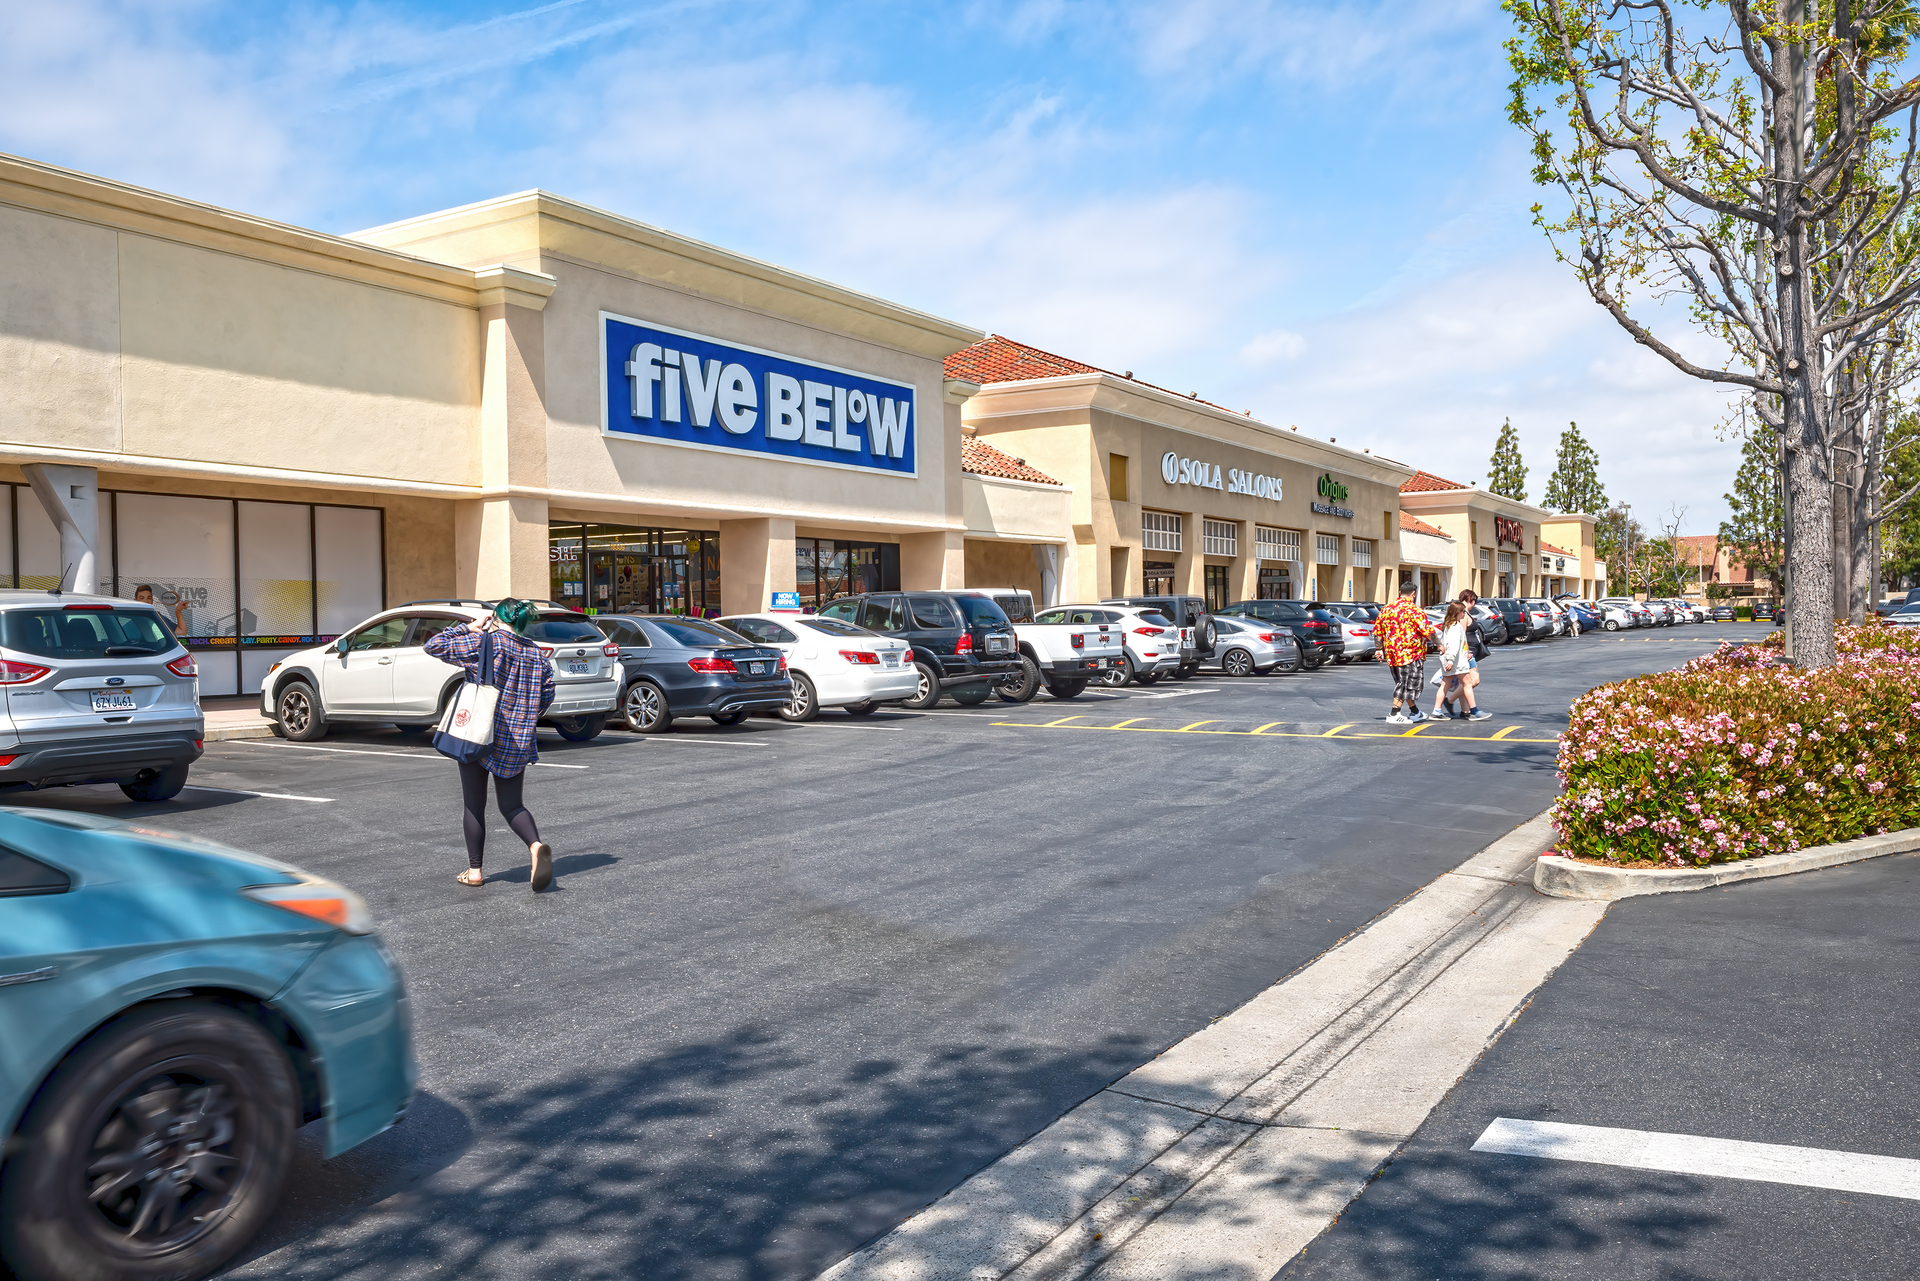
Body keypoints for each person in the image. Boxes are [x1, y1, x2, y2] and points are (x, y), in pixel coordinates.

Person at [425, 599, 556, 891]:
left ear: (496, 618)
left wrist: (468, 627)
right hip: (517, 739)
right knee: (512, 805)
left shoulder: (486, 643)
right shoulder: (536, 654)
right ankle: (535, 846)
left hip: (478, 733)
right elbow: (547, 694)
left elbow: (434, 644)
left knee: (474, 804)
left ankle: (475, 872)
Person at [1373, 581, 1435, 724]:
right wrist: (1440, 645)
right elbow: (1427, 631)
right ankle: (1394, 713)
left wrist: (1378, 649)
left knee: (1403, 682)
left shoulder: (1387, 609)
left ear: (1400, 592)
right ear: (1414, 594)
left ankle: (1415, 712)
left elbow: (1378, 631)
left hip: (1392, 654)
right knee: (1406, 684)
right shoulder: (1415, 610)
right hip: (1410, 653)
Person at [1433, 601, 1492, 721]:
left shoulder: (1449, 625)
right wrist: (1450, 660)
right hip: (1457, 661)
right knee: (1468, 683)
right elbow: (1453, 646)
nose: (1465, 613)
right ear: (1457, 612)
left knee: (1445, 684)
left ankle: (1436, 710)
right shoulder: (1455, 627)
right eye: (1463, 611)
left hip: (1451, 660)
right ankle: (1474, 711)